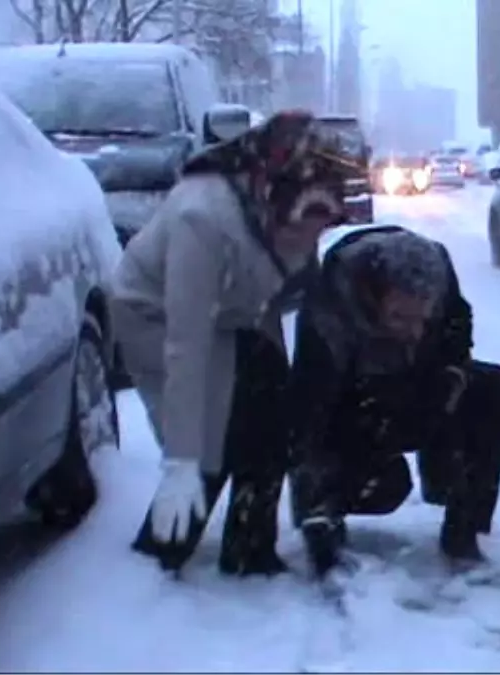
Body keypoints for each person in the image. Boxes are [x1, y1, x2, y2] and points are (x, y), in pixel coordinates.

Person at [109, 110, 354, 577]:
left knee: (273, 410)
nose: (308, 239)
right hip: (154, 314)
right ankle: (160, 554)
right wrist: (181, 459)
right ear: (272, 195)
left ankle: (250, 546)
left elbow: (273, 296)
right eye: (301, 226)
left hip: (234, 316)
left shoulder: (292, 208)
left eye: (320, 226)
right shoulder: (201, 220)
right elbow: (186, 343)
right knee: (210, 428)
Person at [287, 226, 500, 579]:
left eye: (422, 320)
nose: (414, 330)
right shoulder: (330, 307)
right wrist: (315, 509)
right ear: (374, 297)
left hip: (417, 385)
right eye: (400, 317)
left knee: (498, 387)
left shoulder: (438, 272)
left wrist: (451, 379)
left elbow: (458, 326)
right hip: (354, 406)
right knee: (387, 488)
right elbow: (309, 411)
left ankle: (463, 527)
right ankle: (335, 509)